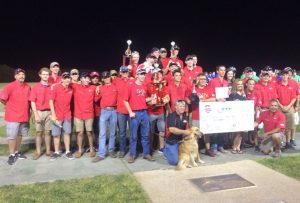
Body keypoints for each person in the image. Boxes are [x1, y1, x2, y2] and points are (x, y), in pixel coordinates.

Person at [124, 68, 155, 163]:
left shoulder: (145, 87)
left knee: (145, 135)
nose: (143, 76)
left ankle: (146, 154)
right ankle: (132, 155)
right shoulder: (130, 86)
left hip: (144, 113)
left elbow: (143, 99)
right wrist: (130, 112)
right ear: (137, 75)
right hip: (135, 113)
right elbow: (125, 100)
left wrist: (151, 99)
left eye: (144, 74)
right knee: (133, 136)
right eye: (141, 74)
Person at [0, 68, 30, 165]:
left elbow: (29, 101)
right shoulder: (10, 86)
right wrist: (9, 105)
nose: (21, 76)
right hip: (13, 116)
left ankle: (16, 152)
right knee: (12, 136)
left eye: (23, 74)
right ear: (15, 76)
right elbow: (2, 98)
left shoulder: (27, 87)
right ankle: (12, 154)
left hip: (24, 115)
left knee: (20, 135)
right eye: (19, 74)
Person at [93, 71, 118, 162]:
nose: (106, 78)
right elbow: (96, 100)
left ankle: (111, 150)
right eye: (104, 77)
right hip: (104, 111)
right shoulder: (101, 88)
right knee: (102, 133)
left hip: (114, 111)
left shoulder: (115, 87)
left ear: (110, 77)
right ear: (102, 79)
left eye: (108, 76)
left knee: (112, 133)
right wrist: (97, 90)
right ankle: (101, 154)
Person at [49, 72, 74, 161]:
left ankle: (67, 151)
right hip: (57, 115)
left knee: (67, 133)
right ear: (62, 79)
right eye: (65, 78)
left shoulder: (71, 89)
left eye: (68, 78)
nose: (67, 79)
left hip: (67, 115)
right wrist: (53, 115)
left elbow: (79, 83)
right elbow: (51, 101)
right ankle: (56, 152)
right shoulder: (56, 87)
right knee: (56, 135)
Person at [72, 72, 97, 158]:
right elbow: (65, 82)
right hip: (78, 114)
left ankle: (91, 149)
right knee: (80, 133)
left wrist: (99, 86)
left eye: (88, 78)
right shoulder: (75, 86)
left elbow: (99, 87)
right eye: (85, 78)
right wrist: (54, 85)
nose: (87, 80)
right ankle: (79, 150)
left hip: (89, 114)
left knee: (89, 132)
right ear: (81, 79)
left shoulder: (93, 87)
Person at [30, 67, 53, 160]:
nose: (45, 76)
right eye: (43, 74)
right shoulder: (35, 87)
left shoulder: (51, 86)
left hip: (49, 112)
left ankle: (48, 150)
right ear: (40, 75)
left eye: (47, 74)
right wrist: (35, 114)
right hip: (39, 111)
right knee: (39, 132)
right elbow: (32, 101)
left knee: (48, 132)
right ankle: (38, 151)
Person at [191, 73, 216, 156]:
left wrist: (203, 101)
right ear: (198, 80)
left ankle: (207, 149)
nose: (203, 81)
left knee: (207, 133)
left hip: (207, 115)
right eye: (201, 79)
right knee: (195, 133)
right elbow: (190, 98)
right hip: (196, 114)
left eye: (204, 79)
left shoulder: (208, 88)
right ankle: (195, 151)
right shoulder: (194, 89)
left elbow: (213, 99)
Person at [146, 70, 170, 152]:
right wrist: (150, 100)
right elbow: (145, 98)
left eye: (160, 76)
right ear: (153, 77)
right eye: (157, 76)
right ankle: (150, 148)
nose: (159, 78)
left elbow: (167, 96)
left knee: (162, 130)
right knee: (150, 131)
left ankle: (161, 147)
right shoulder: (149, 85)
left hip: (160, 111)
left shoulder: (163, 86)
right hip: (151, 111)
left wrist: (166, 99)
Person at [114, 66, 134, 158]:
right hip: (121, 110)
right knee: (122, 132)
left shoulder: (132, 81)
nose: (125, 73)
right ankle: (122, 150)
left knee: (132, 131)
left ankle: (131, 149)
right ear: (120, 72)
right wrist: (98, 86)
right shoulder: (116, 80)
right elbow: (106, 83)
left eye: (126, 71)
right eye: (123, 72)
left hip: (131, 110)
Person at [208, 65, 229, 153]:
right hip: (215, 106)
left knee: (223, 126)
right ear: (217, 71)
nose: (223, 72)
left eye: (224, 70)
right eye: (221, 70)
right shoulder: (213, 81)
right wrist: (217, 99)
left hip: (223, 106)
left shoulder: (226, 82)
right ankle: (214, 145)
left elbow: (226, 95)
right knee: (216, 127)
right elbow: (210, 93)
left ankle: (221, 145)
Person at [164, 100, 191, 165]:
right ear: (176, 107)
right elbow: (172, 130)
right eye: (180, 106)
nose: (182, 108)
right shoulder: (171, 116)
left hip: (181, 141)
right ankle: (166, 151)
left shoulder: (185, 116)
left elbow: (187, 129)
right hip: (172, 142)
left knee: (188, 159)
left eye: (183, 106)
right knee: (174, 162)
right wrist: (184, 132)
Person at [276, 69, 297, 150]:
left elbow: (294, 98)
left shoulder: (291, 86)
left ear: (288, 76)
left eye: (286, 75)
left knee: (289, 127)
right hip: (279, 108)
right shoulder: (277, 86)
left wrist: (288, 106)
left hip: (289, 107)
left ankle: (288, 142)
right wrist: (281, 106)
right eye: (283, 75)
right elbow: (276, 98)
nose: (284, 76)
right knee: (280, 126)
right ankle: (280, 143)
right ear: (281, 76)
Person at [227, 79, 247, 154]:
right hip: (234, 116)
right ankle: (234, 146)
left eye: (241, 84)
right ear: (235, 86)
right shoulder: (232, 95)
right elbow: (228, 105)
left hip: (242, 115)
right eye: (238, 84)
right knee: (237, 132)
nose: (240, 86)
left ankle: (238, 146)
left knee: (241, 132)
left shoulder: (243, 94)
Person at [245, 78, 262, 151]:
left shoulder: (257, 92)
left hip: (254, 113)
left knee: (254, 129)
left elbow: (258, 104)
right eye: (250, 84)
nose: (252, 85)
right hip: (245, 113)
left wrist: (256, 112)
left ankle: (256, 144)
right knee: (244, 129)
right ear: (246, 84)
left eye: (253, 84)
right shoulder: (244, 92)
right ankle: (246, 142)